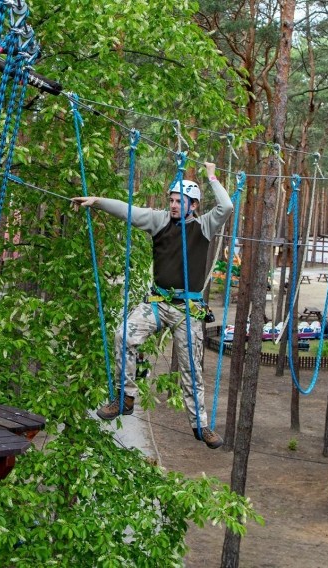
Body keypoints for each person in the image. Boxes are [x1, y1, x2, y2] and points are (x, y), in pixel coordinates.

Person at [72, 162, 232, 449]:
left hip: (187, 310)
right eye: (170, 200)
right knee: (124, 335)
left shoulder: (204, 226)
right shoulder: (159, 221)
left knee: (191, 369)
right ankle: (126, 397)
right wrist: (97, 202)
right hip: (158, 302)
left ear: (192, 206)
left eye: (178, 201)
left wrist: (211, 177)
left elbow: (227, 206)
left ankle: (201, 425)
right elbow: (128, 211)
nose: (172, 205)